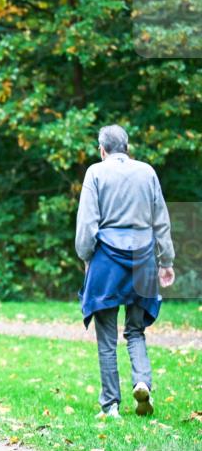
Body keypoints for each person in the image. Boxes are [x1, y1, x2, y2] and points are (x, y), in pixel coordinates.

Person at [76, 124, 176, 419]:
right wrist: (167, 260)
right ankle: (142, 381)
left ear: (102, 149)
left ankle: (110, 405)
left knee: (106, 336)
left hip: (107, 260)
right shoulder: (147, 173)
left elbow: (87, 223)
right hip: (143, 258)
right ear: (128, 146)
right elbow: (161, 220)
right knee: (136, 330)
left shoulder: (95, 173)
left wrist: (86, 256)